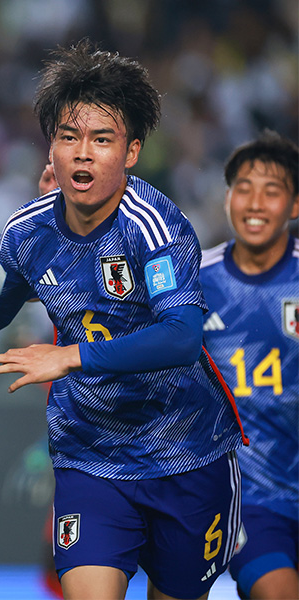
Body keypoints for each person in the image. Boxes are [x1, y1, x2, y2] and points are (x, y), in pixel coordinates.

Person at [0, 39, 248, 599]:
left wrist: (69, 355)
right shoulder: (27, 233)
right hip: (89, 459)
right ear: (49, 149)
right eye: (68, 137)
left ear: (130, 152)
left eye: (101, 140)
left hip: (186, 453)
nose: (82, 153)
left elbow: (181, 336)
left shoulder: (153, 226)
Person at [199, 130, 298, 600]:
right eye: (243, 187)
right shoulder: (195, 282)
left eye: (272, 190)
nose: (255, 202)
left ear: (295, 206)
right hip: (251, 499)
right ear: (226, 198)